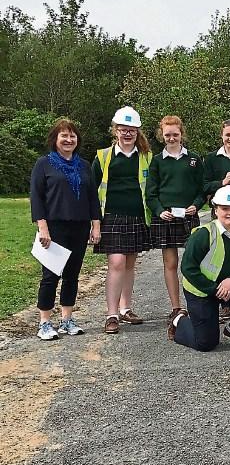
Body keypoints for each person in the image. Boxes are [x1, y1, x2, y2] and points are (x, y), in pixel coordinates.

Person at [30, 118, 101, 340]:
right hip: (54, 228)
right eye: (64, 136)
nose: (69, 140)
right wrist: (42, 227)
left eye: (72, 136)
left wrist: (96, 225)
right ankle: (44, 323)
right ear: (55, 139)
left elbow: (92, 198)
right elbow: (36, 198)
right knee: (50, 276)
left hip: (80, 226)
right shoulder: (44, 164)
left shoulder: (84, 165)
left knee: (72, 275)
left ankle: (67, 319)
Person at [174, 186, 230, 351]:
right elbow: (188, 268)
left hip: (226, 287)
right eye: (225, 208)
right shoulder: (203, 234)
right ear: (216, 210)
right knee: (206, 343)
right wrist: (214, 289)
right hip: (201, 290)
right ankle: (179, 321)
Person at [92, 106, 152, 335]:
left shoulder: (146, 157)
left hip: (137, 217)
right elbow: (91, 191)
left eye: (132, 130)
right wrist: (95, 222)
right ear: (115, 130)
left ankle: (126, 309)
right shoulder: (103, 156)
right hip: (111, 217)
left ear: (137, 132)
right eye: (123, 129)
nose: (127, 134)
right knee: (116, 263)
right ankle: (112, 314)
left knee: (129, 265)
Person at [145, 115, 205, 334]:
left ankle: (198, 305)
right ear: (162, 135)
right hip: (166, 218)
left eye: (175, 134)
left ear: (182, 134)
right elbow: (150, 193)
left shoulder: (194, 159)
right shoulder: (157, 161)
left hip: (189, 216)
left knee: (194, 262)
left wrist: (196, 205)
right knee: (170, 263)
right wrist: (159, 211)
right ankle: (176, 307)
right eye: (167, 135)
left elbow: (202, 189)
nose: (171, 138)